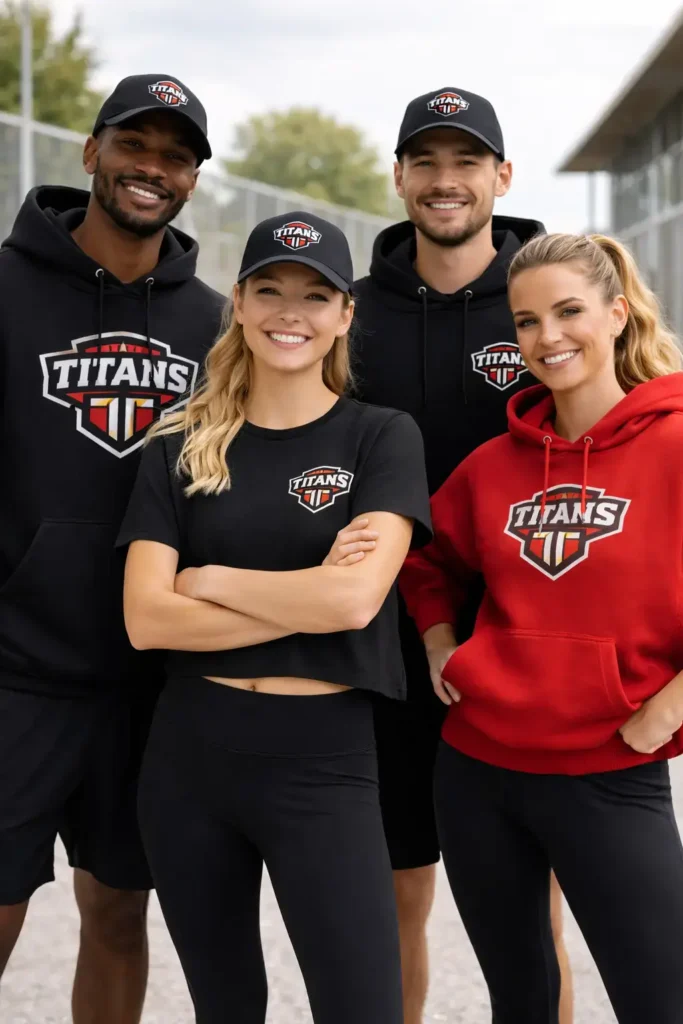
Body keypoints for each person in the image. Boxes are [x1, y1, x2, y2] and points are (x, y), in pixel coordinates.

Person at [117, 211, 432, 1024]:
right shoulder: (180, 447)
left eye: (314, 295)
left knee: (361, 1005)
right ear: (240, 304)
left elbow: (354, 600)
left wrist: (211, 578)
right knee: (224, 1007)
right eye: (269, 290)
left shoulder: (380, 438)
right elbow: (147, 620)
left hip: (323, 764)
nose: (290, 311)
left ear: (343, 315)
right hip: (190, 759)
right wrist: (304, 597)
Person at [400, 232, 683, 1024]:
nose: (547, 337)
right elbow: (425, 560)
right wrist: (438, 642)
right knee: (519, 1001)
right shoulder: (494, 464)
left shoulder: (674, 442)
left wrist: (667, 708)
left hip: (609, 772)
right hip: (478, 772)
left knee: (658, 1000)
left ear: (617, 314)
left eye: (567, 312)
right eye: (526, 321)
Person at [0, 74, 223, 1022]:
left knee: (121, 909)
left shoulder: (215, 323)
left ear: (193, 181)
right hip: (14, 671)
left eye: (176, 156)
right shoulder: (5, 288)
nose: (152, 168)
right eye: (135, 145)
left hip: (145, 679)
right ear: (91, 153)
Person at [351, 86, 572, 1022]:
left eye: (466, 162)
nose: (446, 182)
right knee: (396, 895)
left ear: (502, 176)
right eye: (426, 163)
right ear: (399, 177)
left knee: (530, 907)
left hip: (523, 637)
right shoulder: (347, 313)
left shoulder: (547, 306)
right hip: (379, 640)